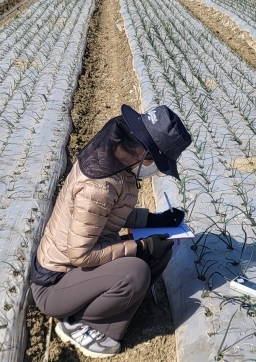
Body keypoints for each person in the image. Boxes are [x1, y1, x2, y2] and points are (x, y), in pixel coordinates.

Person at [30, 104, 192, 358]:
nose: (156, 169)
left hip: (79, 273)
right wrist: (140, 246)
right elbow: (80, 256)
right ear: (144, 154)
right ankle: (78, 325)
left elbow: (109, 215)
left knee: (161, 251)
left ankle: (113, 305)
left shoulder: (119, 164)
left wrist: (154, 220)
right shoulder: (98, 186)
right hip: (56, 285)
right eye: (158, 163)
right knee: (135, 272)